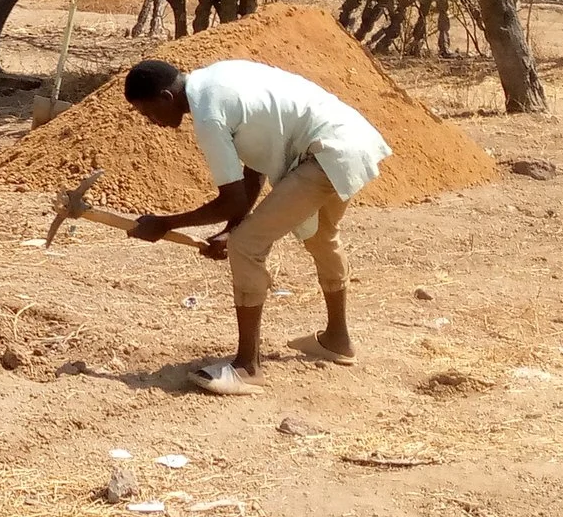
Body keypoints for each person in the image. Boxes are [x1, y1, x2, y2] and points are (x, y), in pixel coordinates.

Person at [121, 57, 391, 379]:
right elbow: (255, 168)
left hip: (327, 151)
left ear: (166, 97)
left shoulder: (208, 114)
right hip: (351, 140)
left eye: (148, 113)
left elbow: (231, 199)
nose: (151, 122)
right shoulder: (216, 79)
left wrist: (165, 224)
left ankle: (247, 367)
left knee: (246, 245)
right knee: (320, 234)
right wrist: (231, 227)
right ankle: (337, 339)